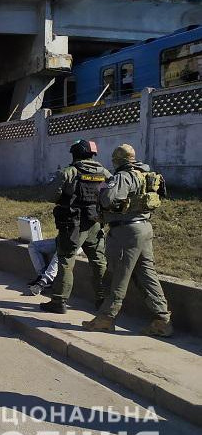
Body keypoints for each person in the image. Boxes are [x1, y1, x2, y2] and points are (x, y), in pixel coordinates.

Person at [82, 144, 173, 337]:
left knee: (119, 276)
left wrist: (103, 188)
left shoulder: (123, 176)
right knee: (147, 275)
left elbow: (107, 199)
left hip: (126, 231)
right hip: (144, 228)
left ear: (118, 161)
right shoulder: (145, 174)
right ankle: (162, 320)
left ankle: (106, 318)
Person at [40, 139, 110, 314]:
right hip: (95, 223)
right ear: (92, 155)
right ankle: (102, 300)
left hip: (74, 225)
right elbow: (109, 196)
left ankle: (59, 301)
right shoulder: (104, 173)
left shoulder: (69, 172)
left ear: (75, 154)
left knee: (65, 260)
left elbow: (50, 195)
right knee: (98, 261)